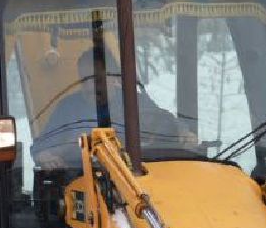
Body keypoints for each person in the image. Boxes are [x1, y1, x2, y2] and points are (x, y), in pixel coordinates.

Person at [31, 43, 185, 172]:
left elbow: (168, 123)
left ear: (113, 78)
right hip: (82, 181)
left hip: (136, 179)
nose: (90, 87)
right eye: (84, 80)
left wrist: (184, 133)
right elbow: (40, 147)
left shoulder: (134, 102)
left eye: (97, 79)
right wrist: (44, 156)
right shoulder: (67, 108)